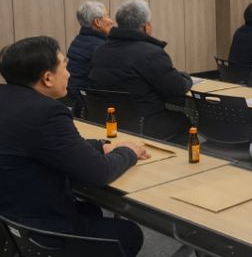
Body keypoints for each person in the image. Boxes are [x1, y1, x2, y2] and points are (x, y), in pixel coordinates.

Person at [0, 36, 149, 257]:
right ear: (48, 78)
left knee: (90, 210)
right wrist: (128, 151)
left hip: (9, 219)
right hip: (40, 229)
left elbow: (44, 144)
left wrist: (100, 145)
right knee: (128, 233)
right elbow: (99, 172)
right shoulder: (46, 113)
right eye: (64, 65)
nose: (69, 74)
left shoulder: (8, 99)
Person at [89, 0, 193, 141]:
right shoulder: (151, 53)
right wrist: (186, 77)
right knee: (184, 122)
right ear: (146, 26)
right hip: (145, 124)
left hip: (111, 122)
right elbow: (177, 88)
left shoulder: (100, 51)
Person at [66, 1, 114, 101]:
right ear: (97, 22)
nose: (111, 21)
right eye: (107, 16)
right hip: (87, 101)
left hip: (73, 95)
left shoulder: (78, 40)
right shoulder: (100, 47)